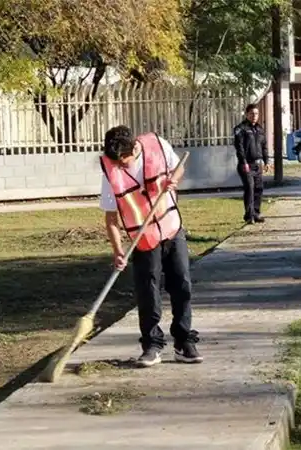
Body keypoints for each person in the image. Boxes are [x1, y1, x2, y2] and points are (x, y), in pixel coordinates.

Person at [99, 126, 202, 368]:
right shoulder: (110, 171)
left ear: (135, 148)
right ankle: (152, 345)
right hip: (143, 238)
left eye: (125, 162)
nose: (122, 167)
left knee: (182, 285)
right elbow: (111, 219)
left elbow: (179, 166)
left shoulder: (157, 146)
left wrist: (173, 182)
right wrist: (118, 251)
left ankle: (184, 341)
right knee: (148, 293)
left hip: (171, 227)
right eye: (118, 164)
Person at [233, 104, 271, 224]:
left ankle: (256, 212)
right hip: (246, 164)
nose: (254, 116)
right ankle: (249, 215)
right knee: (250, 187)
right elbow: (239, 147)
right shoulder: (241, 129)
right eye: (252, 113)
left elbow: (264, 146)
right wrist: (244, 162)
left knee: (259, 188)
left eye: (256, 114)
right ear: (247, 114)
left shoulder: (260, 129)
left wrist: (267, 161)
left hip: (257, 164)